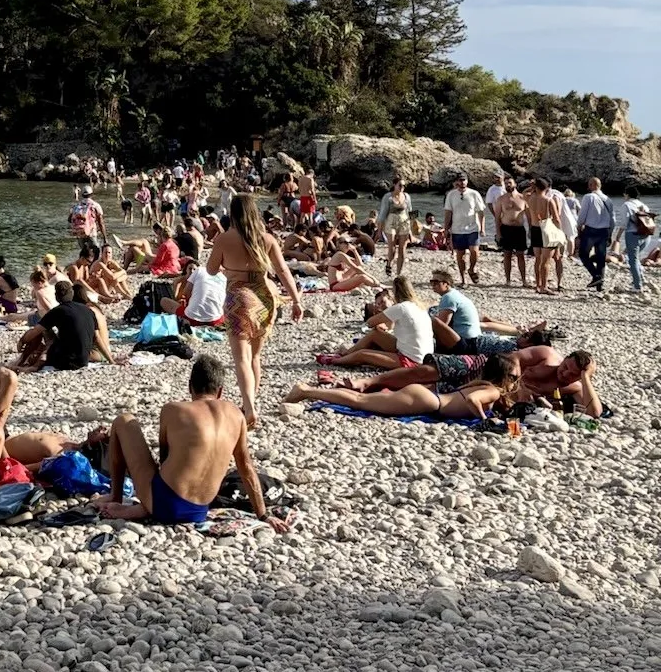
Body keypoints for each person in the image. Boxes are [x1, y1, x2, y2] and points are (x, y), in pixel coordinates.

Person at [95, 354, 286, 529]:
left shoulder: (174, 410)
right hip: (199, 511)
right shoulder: (237, 415)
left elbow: (164, 459)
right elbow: (246, 468)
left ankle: (117, 496)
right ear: (220, 391)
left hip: (165, 504)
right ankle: (145, 506)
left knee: (124, 420)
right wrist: (263, 515)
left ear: (190, 387)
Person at [206, 195, 305, 429]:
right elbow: (282, 271)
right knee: (255, 356)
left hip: (238, 297)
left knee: (241, 357)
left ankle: (249, 407)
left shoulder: (224, 239)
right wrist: (296, 301)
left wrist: (228, 266)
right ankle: (251, 401)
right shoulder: (267, 239)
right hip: (264, 297)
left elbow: (210, 270)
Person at [285, 356, 516, 422]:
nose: (515, 381)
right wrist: (486, 419)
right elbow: (472, 401)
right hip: (427, 402)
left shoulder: (483, 383)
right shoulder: (492, 390)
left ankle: (307, 391)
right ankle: (305, 391)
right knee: (358, 401)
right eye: (514, 377)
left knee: (360, 399)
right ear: (503, 376)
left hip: (426, 397)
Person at [443, 174, 487, 286]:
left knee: (474, 251)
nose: (462, 182)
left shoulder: (474, 194)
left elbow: (481, 212)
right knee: (460, 255)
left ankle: (472, 269)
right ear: (456, 182)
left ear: (467, 181)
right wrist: (446, 228)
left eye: (464, 180)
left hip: (472, 228)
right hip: (457, 229)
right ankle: (463, 279)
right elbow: (448, 212)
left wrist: (482, 228)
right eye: (460, 180)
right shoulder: (451, 195)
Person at [525, 179, 567, 294]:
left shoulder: (530, 198)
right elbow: (557, 219)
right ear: (547, 188)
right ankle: (544, 286)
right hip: (546, 230)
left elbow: (524, 192)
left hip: (535, 229)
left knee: (538, 259)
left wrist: (531, 188)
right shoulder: (549, 200)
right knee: (546, 261)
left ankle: (538, 284)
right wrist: (559, 234)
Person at [575, 177, 615, 293]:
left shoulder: (589, 197)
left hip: (591, 230)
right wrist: (610, 233)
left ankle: (596, 276)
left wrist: (579, 226)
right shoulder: (608, 200)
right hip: (604, 231)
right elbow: (613, 219)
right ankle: (599, 286)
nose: (588, 187)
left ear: (592, 185)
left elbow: (582, 214)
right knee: (601, 257)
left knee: (583, 254)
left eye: (589, 185)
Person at [493, 181, 531, 287]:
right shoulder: (501, 199)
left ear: (515, 183)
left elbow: (528, 216)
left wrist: (530, 230)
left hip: (519, 229)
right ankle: (508, 280)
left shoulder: (522, 198)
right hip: (506, 229)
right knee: (507, 255)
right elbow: (497, 218)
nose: (508, 185)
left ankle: (524, 280)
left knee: (521, 255)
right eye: (506, 184)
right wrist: (498, 232)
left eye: (509, 183)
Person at [378, 179, 413, 275]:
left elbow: (410, 212)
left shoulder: (406, 197)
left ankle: (398, 273)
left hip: (404, 222)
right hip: (391, 221)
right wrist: (379, 229)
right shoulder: (388, 197)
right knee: (392, 247)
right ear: (394, 185)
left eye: (403, 186)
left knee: (402, 249)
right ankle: (389, 262)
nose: (402, 187)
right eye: (400, 185)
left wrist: (411, 230)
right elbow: (382, 213)